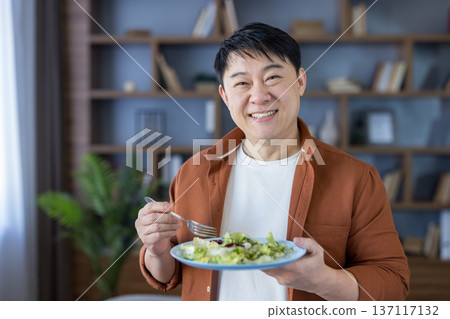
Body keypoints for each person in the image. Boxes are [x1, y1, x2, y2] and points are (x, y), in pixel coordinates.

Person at [135, 22, 410, 301]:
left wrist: (325, 280)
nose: (259, 96)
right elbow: (168, 273)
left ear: (300, 82)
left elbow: (393, 285)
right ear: (225, 97)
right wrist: (157, 250)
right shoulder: (194, 171)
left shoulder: (356, 177)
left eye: (273, 78)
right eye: (242, 83)